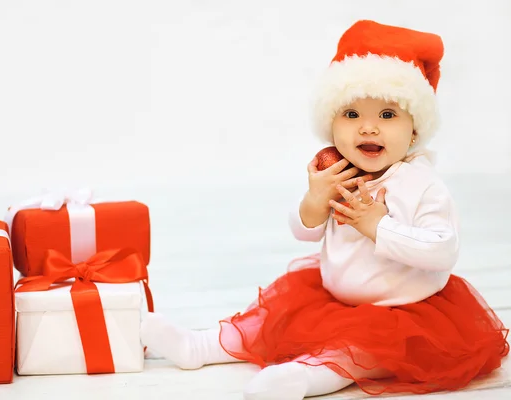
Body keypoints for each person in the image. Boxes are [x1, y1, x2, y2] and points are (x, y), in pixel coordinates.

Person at [140, 20, 509, 399]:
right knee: (265, 322)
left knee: (355, 352)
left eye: (387, 115)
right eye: (351, 115)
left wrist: (377, 225)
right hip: (334, 300)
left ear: (414, 130)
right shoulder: (338, 172)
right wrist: (314, 201)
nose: (367, 128)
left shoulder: (421, 184)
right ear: (330, 126)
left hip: (404, 315)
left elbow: (441, 249)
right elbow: (305, 232)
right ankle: (198, 347)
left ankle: (302, 377)